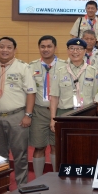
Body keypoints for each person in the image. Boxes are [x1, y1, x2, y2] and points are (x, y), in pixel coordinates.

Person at [0, 37, 36, 187]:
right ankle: (2, 186)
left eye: (9, 47)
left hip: (17, 116)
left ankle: (21, 186)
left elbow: (31, 93)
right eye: (1, 47)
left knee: (20, 154)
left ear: (14, 50)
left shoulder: (23, 67)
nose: (5, 50)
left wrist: (28, 115)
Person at [28, 36, 66, 176]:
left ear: (55, 48)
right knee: (39, 147)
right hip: (39, 111)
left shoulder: (64, 65)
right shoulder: (31, 67)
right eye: (42, 46)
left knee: (56, 146)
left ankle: (56, 178)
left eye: (49, 46)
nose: (46, 49)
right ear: (39, 48)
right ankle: (39, 178)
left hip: (59, 112)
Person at [50, 38, 98, 138]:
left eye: (79, 49)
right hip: (65, 113)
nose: (75, 52)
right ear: (68, 50)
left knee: (86, 144)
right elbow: (54, 97)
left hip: (86, 114)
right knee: (64, 145)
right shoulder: (59, 71)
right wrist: (52, 119)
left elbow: (96, 98)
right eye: (72, 48)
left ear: (85, 51)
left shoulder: (93, 71)